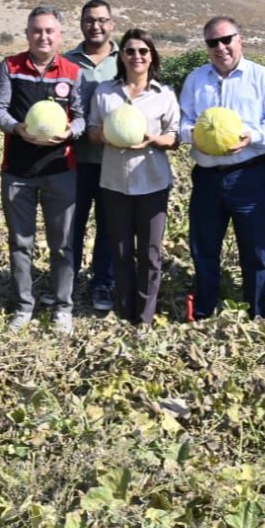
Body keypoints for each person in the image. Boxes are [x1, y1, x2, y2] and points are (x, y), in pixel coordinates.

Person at [179, 16, 265, 318]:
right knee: (204, 248)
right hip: (207, 176)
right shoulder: (196, 79)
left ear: (240, 40)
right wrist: (195, 137)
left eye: (226, 39)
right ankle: (204, 312)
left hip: (250, 174)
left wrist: (253, 135)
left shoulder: (262, 77)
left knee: (255, 251)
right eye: (212, 42)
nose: (221, 47)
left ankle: (256, 313)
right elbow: (182, 121)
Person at [0, 6, 86, 332]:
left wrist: (70, 132)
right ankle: (23, 306)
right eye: (36, 31)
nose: (43, 36)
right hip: (18, 172)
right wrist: (17, 129)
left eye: (49, 31)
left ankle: (62, 308)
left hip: (61, 169)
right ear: (28, 34)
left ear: (60, 35)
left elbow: (82, 116)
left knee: (63, 244)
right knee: (21, 243)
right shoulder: (10, 67)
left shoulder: (72, 71)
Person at [87, 29, 180, 325]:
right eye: (130, 51)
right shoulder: (105, 92)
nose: (136, 56)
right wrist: (108, 135)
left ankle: (145, 317)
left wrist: (151, 138)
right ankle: (124, 311)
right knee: (121, 251)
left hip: (153, 182)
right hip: (115, 182)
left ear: (151, 56)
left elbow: (174, 137)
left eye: (143, 51)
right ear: (121, 56)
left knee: (150, 254)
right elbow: (91, 131)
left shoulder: (164, 95)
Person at [65, 0, 120, 310]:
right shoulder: (67, 60)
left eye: (101, 20)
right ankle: (67, 283)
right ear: (81, 23)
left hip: (113, 160)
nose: (95, 26)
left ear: (111, 24)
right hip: (75, 158)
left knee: (109, 228)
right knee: (72, 226)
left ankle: (102, 284)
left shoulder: (124, 59)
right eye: (89, 20)